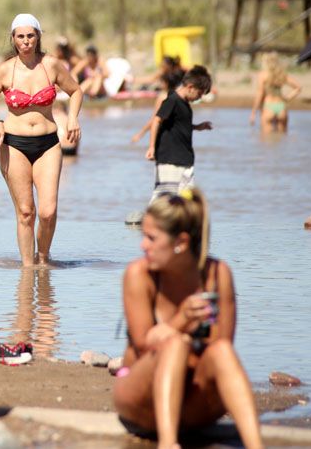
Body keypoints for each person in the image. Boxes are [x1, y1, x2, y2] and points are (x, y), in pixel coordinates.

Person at [112, 189, 262, 449]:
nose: (142, 245)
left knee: (223, 351)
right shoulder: (139, 275)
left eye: (150, 238)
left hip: (195, 403)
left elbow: (220, 350)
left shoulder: (217, 275)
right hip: (142, 399)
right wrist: (181, 320)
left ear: (180, 242)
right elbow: (144, 345)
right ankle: (168, 444)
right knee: (174, 343)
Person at [0, 14, 83, 267]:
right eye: (20, 36)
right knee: (25, 212)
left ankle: (43, 260)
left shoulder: (51, 65)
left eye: (30, 36)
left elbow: (76, 91)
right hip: (14, 146)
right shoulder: (5, 70)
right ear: (13, 39)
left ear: (38, 37)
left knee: (48, 211)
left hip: (48, 145)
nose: (26, 41)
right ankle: (27, 270)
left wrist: (74, 118)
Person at [146, 66, 213, 201]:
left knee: (186, 201)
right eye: (199, 94)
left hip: (185, 160)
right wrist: (152, 147)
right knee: (164, 199)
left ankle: (184, 223)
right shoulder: (172, 100)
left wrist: (197, 127)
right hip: (170, 160)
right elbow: (156, 120)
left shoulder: (184, 104)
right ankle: (149, 221)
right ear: (190, 87)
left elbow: (179, 126)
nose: (199, 98)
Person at [249, 52, 302, 133]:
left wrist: (253, 112)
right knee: (282, 138)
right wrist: (287, 98)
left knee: (265, 140)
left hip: (268, 106)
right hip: (281, 106)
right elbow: (298, 87)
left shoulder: (263, 75)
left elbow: (260, 94)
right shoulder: (282, 75)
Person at [131, 68, 186, 144]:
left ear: (166, 83)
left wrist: (140, 134)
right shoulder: (179, 96)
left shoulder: (163, 97)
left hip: (165, 135)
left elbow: (155, 118)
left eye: (161, 81)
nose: (160, 83)